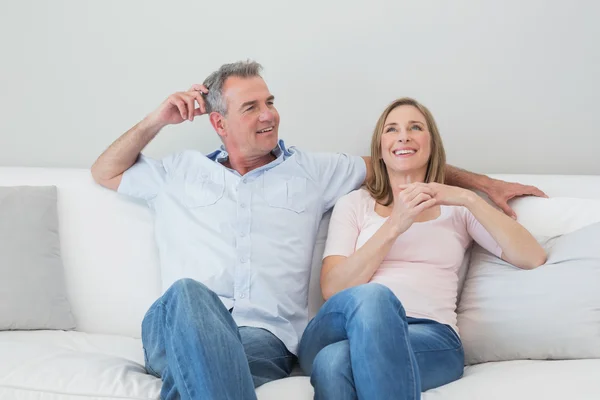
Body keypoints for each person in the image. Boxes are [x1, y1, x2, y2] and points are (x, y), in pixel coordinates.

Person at [91, 61, 547, 400]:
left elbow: (397, 161)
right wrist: (157, 119)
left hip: (261, 341)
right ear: (218, 122)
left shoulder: (313, 172)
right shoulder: (178, 173)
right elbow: (105, 171)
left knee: (202, 377)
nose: (268, 114)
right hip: (178, 323)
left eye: (270, 102)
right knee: (190, 294)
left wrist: (480, 186)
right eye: (251, 107)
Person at [297, 97, 547, 400]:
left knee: (333, 364)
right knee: (374, 298)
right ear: (379, 148)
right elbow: (334, 289)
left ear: (432, 145)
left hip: (429, 337)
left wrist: (468, 198)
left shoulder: (457, 207)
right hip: (343, 325)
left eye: (415, 127)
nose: (403, 135)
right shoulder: (354, 204)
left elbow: (532, 257)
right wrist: (394, 226)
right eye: (392, 129)